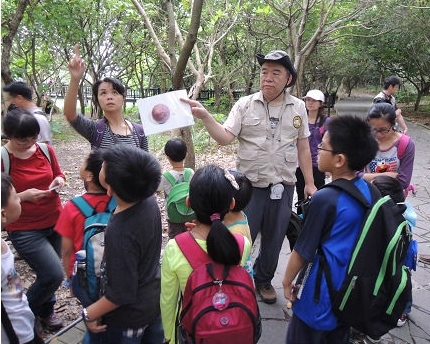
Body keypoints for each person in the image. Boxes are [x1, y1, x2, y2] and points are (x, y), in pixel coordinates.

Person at [181, 50, 317, 304]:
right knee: (242, 235)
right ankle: (235, 278)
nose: (267, 77)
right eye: (264, 71)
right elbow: (224, 138)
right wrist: (206, 117)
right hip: (248, 188)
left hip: (283, 185)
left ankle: (263, 281)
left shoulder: (298, 107)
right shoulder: (244, 104)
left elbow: (303, 148)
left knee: (275, 238)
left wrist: (309, 182)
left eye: (275, 73)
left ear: (288, 78)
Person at [282, 115, 379, 344]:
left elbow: (303, 250)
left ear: (339, 160)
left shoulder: (326, 198)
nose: (318, 150)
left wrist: (287, 282)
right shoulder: (369, 190)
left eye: (322, 146)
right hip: (351, 291)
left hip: (321, 293)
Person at [81, 145, 163, 344]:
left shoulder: (119, 233)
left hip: (127, 318)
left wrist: (89, 312)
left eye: (104, 165)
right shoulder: (149, 201)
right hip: (152, 301)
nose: (102, 164)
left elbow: (120, 294)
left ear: (109, 188)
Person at [160, 165, 252, 343]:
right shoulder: (242, 244)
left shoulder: (175, 248)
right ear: (231, 204)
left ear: (188, 202)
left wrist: (170, 338)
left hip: (193, 332)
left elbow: (168, 301)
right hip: (233, 327)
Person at [1, 108, 66, 331]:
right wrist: (23, 196)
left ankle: (46, 311)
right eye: (22, 140)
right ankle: (23, 316)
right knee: (53, 274)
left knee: (47, 274)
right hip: (24, 227)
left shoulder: (45, 150)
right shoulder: (3, 158)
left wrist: (58, 180)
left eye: (33, 137)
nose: (29, 143)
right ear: (8, 135)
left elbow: (59, 173)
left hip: (55, 219)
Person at [64, 45, 148, 150]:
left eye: (115, 92)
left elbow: (145, 165)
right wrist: (75, 79)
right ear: (98, 100)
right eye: (103, 93)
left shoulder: (140, 132)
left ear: (123, 98)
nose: (109, 97)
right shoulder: (95, 129)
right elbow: (70, 114)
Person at [1, 173, 44, 344]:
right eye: (16, 196)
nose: (20, 199)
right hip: (15, 334)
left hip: (22, 321)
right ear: (3, 214)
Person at [372, 175, 416, 328]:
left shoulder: (390, 225)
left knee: (400, 275)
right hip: (399, 261)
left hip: (400, 262)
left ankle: (402, 309)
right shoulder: (399, 213)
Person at [362, 103, 415, 191]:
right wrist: (390, 175)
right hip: (368, 195)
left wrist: (367, 177)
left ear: (393, 123)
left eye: (383, 130)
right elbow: (353, 175)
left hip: (393, 198)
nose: (378, 134)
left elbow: (403, 182)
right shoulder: (364, 141)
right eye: (373, 129)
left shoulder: (406, 144)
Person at [296, 89, 330, 211]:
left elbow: (329, 145)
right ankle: (301, 221)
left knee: (319, 194)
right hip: (300, 164)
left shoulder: (326, 122)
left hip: (318, 164)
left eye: (314, 100)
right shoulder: (299, 120)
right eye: (308, 100)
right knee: (301, 194)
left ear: (321, 103)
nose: (310, 103)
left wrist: (328, 167)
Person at [157, 138, 194, 238]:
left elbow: (156, 188)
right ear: (186, 154)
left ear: (167, 157)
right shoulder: (190, 172)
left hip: (173, 216)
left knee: (175, 238)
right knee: (191, 235)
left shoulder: (165, 177)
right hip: (190, 212)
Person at [3, 81, 53, 145]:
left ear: (19, 98)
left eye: (10, 99)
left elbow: (43, 147)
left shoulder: (38, 118)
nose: (10, 102)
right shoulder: (29, 115)